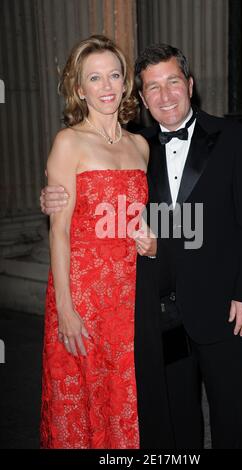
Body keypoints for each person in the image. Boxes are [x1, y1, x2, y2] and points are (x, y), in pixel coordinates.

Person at [41, 43, 242, 449]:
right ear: (142, 97)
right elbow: (103, 209)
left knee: (231, 414)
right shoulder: (141, 144)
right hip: (155, 308)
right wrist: (54, 199)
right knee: (172, 421)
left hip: (223, 305)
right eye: (153, 88)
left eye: (173, 83)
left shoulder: (231, 137)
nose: (165, 96)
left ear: (190, 85)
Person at [40, 34, 159, 449]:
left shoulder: (141, 146)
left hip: (130, 295)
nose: (106, 86)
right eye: (95, 78)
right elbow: (59, 231)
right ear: (79, 88)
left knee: (126, 395)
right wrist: (65, 310)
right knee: (82, 398)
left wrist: (154, 241)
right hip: (84, 295)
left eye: (114, 75)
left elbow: (150, 218)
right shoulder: (68, 142)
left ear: (126, 82)